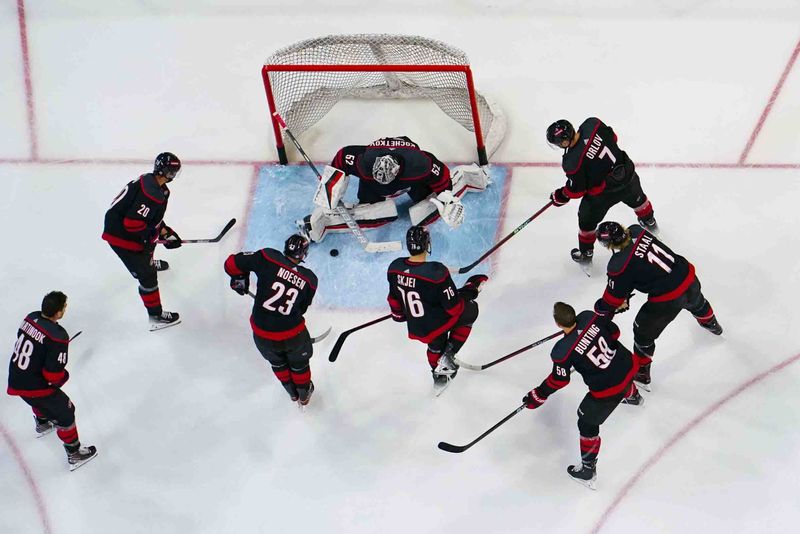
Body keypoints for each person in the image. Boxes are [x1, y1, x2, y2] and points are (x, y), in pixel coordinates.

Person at [522, 302, 642, 489]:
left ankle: (587, 470)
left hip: (608, 387)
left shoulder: (561, 351)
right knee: (620, 374)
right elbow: (615, 333)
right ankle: (634, 397)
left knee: (586, 422)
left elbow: (559, 380)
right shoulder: (588, 317)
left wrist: (539, 394)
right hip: (627, 364)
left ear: (558, 324)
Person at [593, 221, 723, 391]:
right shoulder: (637, 230)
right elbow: (643, 265)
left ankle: (641, 372)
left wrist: (601, 308)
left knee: (642, 332)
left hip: (668, 298)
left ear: (607, 244)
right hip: (687, 276)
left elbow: (612, 301)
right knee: (697, 302)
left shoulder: (618, 266)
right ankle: (712, 324)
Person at [298, 136, 490, 243]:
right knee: (376, 209)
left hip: (410, 182)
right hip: (372, 184)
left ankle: (468, 177)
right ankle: (327, 221)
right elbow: (340, 158)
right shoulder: (362, 160)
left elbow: (441, 176)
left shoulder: (420, 164)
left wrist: (447, 198)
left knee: (425, 207)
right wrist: (331, 186)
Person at [546, 118, 659, 267]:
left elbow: (577, 190)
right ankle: (650, 223)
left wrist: (561, 195)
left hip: (604, 194)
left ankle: (586, 255)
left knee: (586, 223)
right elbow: (614, 138)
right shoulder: (592, 124)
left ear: (564, 142)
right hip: (627, 174)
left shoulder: (572, 162)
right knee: (639, 201)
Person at [7, 291, 97, 471]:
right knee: (65, 411)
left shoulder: (31, 317)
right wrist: (64, 376)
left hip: (16, 378)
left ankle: (42, 423)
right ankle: (74, 453)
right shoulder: (58, 336)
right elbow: (52, 377)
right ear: (58, 313)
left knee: (37, 400)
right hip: (33, 385)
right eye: (64, 307)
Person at [386, 225, 488, 385]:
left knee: (434, 344)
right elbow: (454, 307)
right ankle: (449, 354)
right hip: (437, 322)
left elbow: (394, 300)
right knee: (471, 310)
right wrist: (471, 289)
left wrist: (399, 314)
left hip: (417, 326)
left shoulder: (394, 268)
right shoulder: (436, 272)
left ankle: (438, 375)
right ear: (427, 244)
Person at [224, 234, 318, 406]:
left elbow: (231, 264)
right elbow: (302, 308)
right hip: (293, 335)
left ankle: (292, 393)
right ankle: (303, 394)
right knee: (299, 365)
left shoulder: (267, 257)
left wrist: (239, 278)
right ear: (303, 254)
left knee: (277, 364)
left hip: (262, 334)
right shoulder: (309, 279)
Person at [102, 152, 183, 331]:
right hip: (120, 236)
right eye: (172, 171)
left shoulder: (153, 184)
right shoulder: (152, 193)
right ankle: (155, 316)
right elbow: (132, 225)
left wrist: (165, 232)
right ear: (165, 172)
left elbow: (151, 220)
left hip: (124, 227)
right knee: (147, 276)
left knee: (150, 243)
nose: (173, 175)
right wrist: (152, 236)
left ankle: (147, 261)